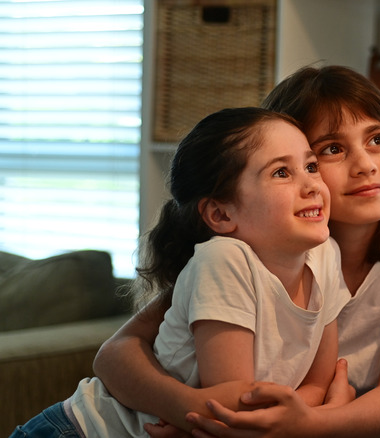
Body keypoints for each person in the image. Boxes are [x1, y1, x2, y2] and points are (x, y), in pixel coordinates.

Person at [92, 66, 380, 437]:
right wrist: (190, 410)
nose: (366, 166)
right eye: (333, 149)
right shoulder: (249, 251)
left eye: (378, 139)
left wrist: (310, 423)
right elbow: (116, 353)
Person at [10, 107, 350, 437]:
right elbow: (234, 407)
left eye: (311, 166)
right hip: (80, 430)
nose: (312, 186)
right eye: (281, 173)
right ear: (219, 214)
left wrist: (300, 420)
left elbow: (317, 383)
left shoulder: (324, 255)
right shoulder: (223, 259)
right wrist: (308, 417)